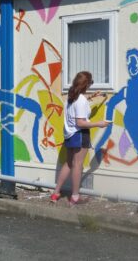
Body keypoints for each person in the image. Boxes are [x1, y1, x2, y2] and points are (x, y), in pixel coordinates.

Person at [51, 71, 110, 205]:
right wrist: (99, 123)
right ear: (86, 84)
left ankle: (55, 193)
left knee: (69, 163)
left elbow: (77, 109)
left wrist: (91, 97)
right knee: (78, 165)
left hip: (69, 134)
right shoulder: (81, 100)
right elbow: (80, 122)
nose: (91, 86)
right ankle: (75, 197)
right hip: (79, 134)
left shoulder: (71, 98)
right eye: (91, 83)